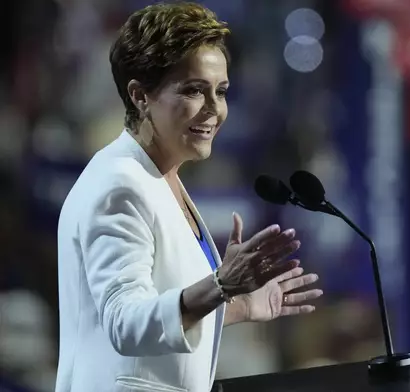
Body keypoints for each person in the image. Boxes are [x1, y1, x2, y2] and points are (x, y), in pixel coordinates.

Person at [55, 3, 323, 392]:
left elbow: (162, 309)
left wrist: (239, 305)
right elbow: (125, 323)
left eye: (222, 91)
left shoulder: (158, 177)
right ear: (140, 96)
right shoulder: (119, 186)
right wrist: (220, 284)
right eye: (195, 90)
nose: (215, 110)